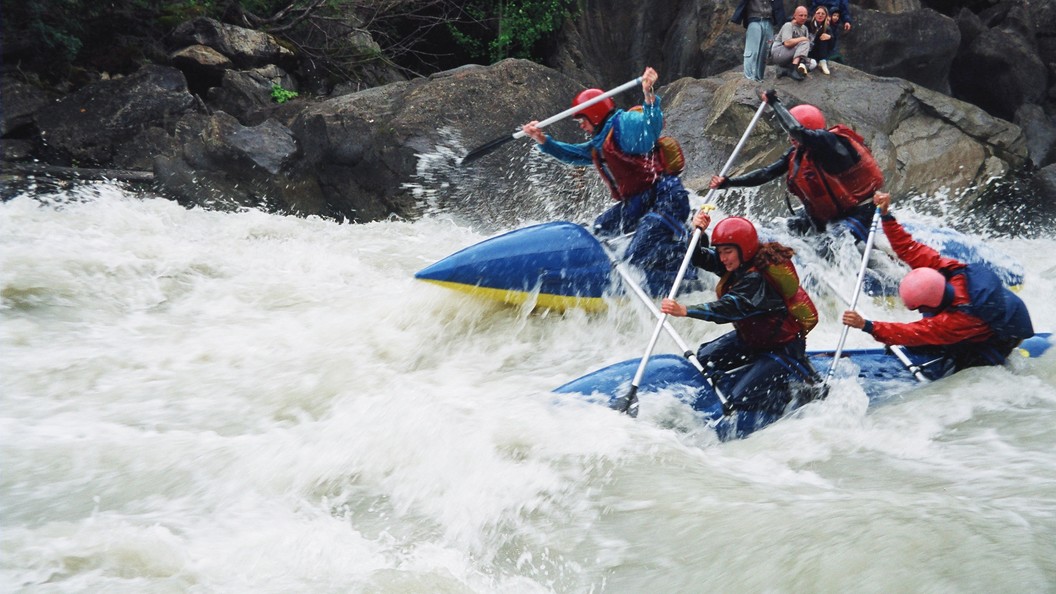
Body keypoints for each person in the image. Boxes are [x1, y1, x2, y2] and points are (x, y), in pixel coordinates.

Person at [522, 67, 693, 294]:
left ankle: (685, 264)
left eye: (582, 120)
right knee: (599, 231)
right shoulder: (600, 142)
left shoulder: (624, 125)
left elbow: (651, 130)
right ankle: (594, 273)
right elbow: (573, 155)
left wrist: (649, 94)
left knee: (635, 254)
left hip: (667, 199)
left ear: (594, 115)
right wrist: (543, 140)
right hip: (639, 203)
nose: (581, 126)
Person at [841, 193, 1034, 376]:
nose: (918, 312)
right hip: (987, 309)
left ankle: (993, 355)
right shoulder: (945, 269)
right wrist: (886, 215)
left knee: (963, 365)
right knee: (930, 339)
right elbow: (908, 247)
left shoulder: (956, 320)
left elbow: (913, 333)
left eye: (919, 308)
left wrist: (867, 326)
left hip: (1006, 331)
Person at [660, 212, 821, 415]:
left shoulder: (757, 278)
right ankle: (751, 373)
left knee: (739, 399)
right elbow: (700, 257)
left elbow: (728, 308)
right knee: (704, 358)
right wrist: (697, 234)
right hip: (753, 340)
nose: (723, 258)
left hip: (782, 349)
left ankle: (794, 393)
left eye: (727, 251)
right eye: (720, 252)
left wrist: (685, 310)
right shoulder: (738, 263)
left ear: (743, 248)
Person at [708, 89, 884, 239]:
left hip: (861, 211)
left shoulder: (831, 143)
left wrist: (774, 103)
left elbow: (795, 130)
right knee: (784, 229)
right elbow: (766, 173)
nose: (791, 139)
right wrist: (728, 182)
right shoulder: (797, 154)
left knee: (830, 245)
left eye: (795, 136)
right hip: (830, 217)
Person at [731, 0, 787, 82]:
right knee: (752, 51)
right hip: (754, 20)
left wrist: (782, 22)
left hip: (769, 22)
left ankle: (759, 77)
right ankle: (749, 77)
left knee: (764, 52)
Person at [771, 5, 814, 81]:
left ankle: (785, 71)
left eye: (805, 16)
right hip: (779, 53)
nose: (803, 18)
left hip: (791, 55)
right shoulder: (788, 25)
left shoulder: (805, 28)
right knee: (804, 41)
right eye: (801, 15)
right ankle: (793, 69)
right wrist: (802, 38)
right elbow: (787, 43)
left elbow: (805, 48)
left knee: (813, 63)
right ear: (795, 16)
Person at [807, 5, 834, 75]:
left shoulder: (827, 28)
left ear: (826, 16)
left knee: (824, 37)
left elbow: (832, 46)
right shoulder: (807, 23)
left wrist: (830, 37)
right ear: (815, 14)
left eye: (823, 14)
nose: (820, 15)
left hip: (817, 52)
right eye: (818, 13)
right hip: (805, 50)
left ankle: (823, 62)